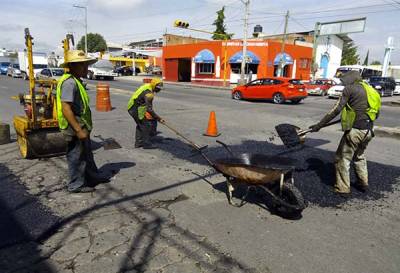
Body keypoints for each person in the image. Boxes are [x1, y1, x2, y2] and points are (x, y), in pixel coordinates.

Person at [309, 70, 381, 194]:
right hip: (368, 130)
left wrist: (319, 125)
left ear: (350, 79)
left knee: (342, 158)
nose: (343, 84)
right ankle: (363, 182)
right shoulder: (371, 91)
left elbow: (336, 110)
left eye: (344, 81)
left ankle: (342, 189)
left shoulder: (350, 89)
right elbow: (377, 113)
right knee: (359, 156)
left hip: (355, 131)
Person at [56, 50, 108, 193]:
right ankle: (76, 185)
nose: (86, 68)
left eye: (86, 65)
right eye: (82, 65)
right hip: (74, 126)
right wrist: (78, 129)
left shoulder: (76, 81)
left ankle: (92, 177)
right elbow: (66, 108)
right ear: (72, 66)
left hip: (81, 124)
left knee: (86, 154)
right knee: (76, 156)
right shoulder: (70, 83)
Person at [127, 78, 164, 149]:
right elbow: (149, 109)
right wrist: (159, 118)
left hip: (132, 106)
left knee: (140, 124)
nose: (159, 90)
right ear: (154, 85)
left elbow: (148, 106)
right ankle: (146, 144)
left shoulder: (147, 86)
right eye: (158, 88)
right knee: (146, 125)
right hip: (135, 109)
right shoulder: (149, 94)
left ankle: (138, 143)